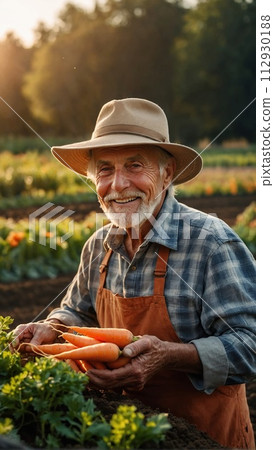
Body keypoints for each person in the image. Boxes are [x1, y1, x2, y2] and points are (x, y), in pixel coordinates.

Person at [13, 98, 255, 449]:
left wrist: (170, 355)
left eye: (135, 165)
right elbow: (77, 311)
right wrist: (53, 326)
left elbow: (254, 345)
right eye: (105, 170)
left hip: (204, 439)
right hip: (124, 438)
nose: (118, 184)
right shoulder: (98, 246)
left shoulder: (211, 244)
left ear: (167, 172)